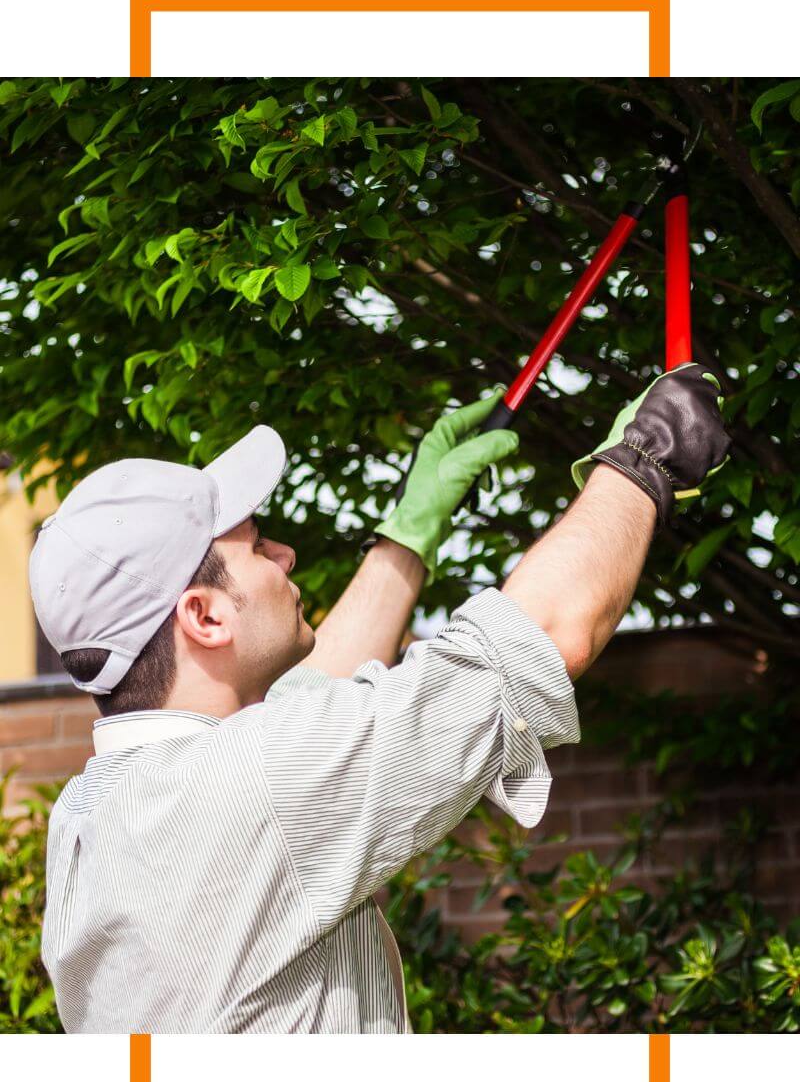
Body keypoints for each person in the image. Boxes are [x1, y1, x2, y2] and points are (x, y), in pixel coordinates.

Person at [30, 362, 729, 1034]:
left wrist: (412, 526)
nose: (285, 556)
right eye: (257, 545)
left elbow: (315, 705)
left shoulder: (89, 814)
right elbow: (536, 639)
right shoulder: (255, 783)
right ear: (205, 616)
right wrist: (643, 460)